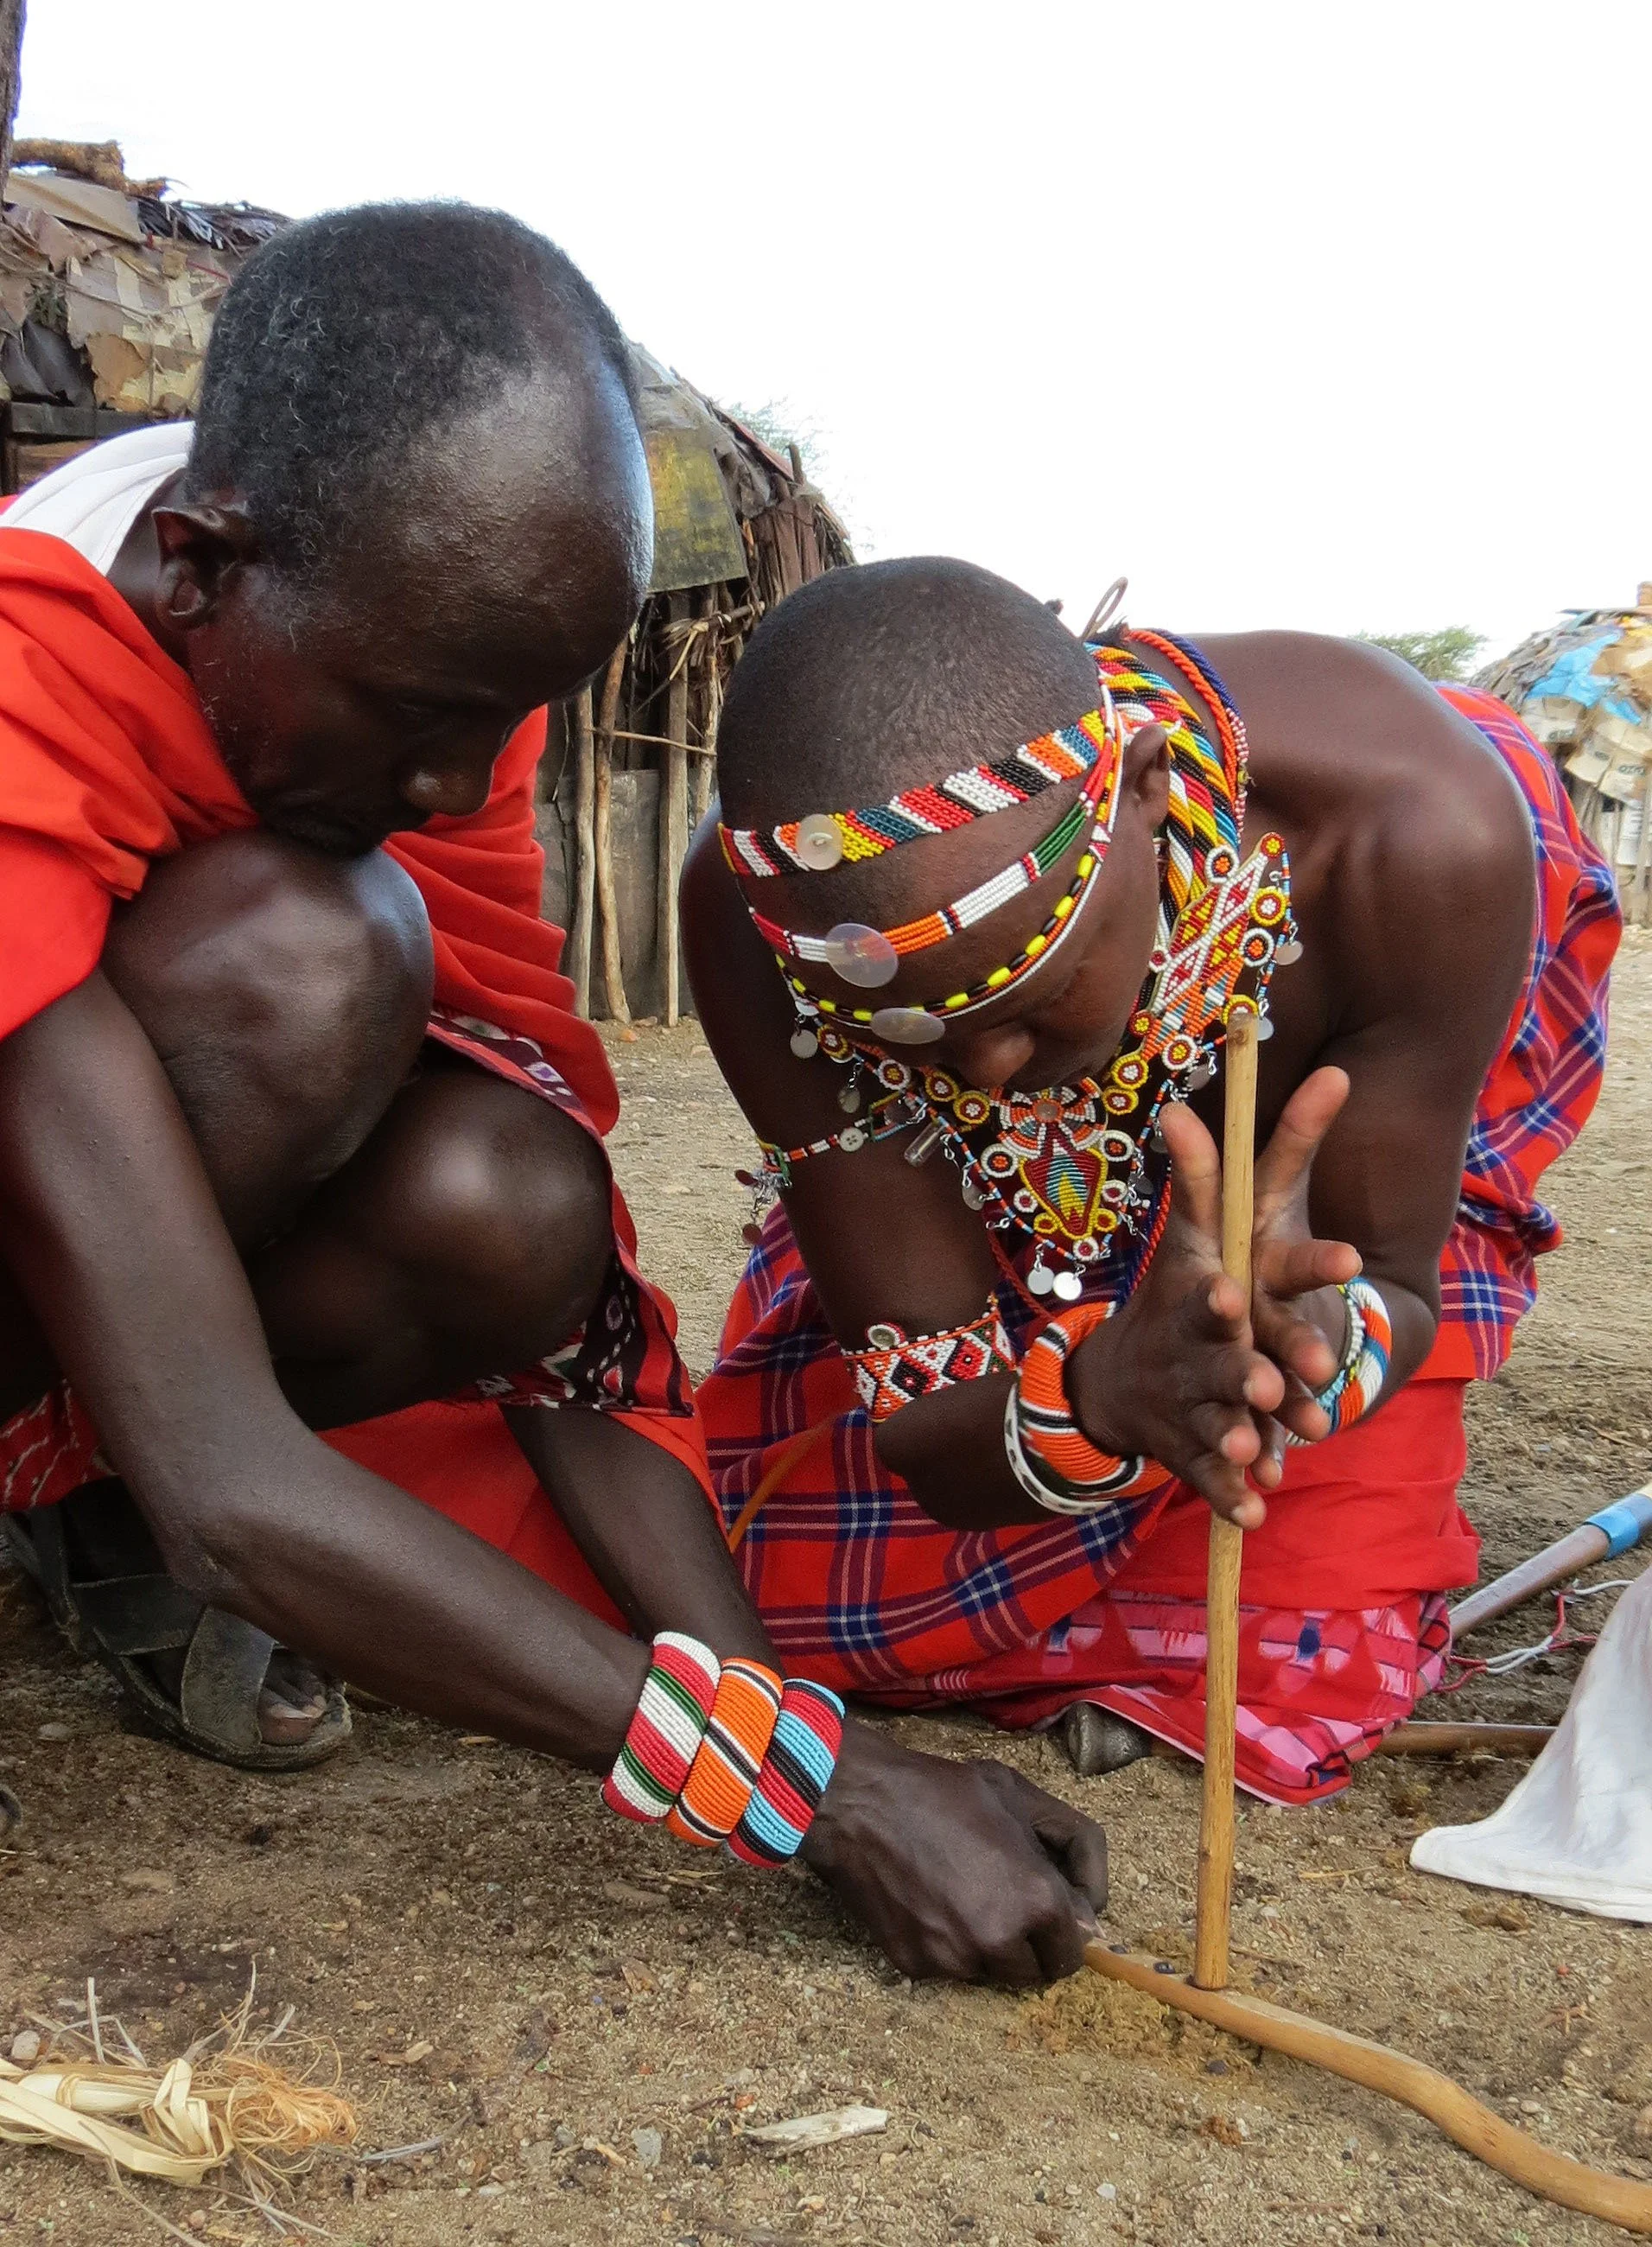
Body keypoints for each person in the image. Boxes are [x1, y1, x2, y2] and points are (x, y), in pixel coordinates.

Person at [0, 211, 1111, 1985]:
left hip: (115, 1254)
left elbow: (562, 1281)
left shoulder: (387, 620)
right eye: (428, 715)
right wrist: (803, 1796)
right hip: (85, 1297)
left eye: (510, 718)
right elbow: (231, 1473)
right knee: (303, 955)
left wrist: (808, 1721)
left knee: (504, 1190)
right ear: (198, 566)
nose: (460, 781)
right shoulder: (22, 692)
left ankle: (79, 1502)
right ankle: (81, 1480)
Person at [683, 558, 1620, 1803]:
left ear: (1142, 793)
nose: (993, 1078)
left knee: (1305, 1649)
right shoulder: (764, 915)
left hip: (1411, 976)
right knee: (792, 1590)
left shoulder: (1417, 838)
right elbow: (927, 1406)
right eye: (911, 1037)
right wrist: (1106, 1396)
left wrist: (1302, 1344)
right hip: (1017, 1222)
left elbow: (1388, 1274)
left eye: (1026, 1002)